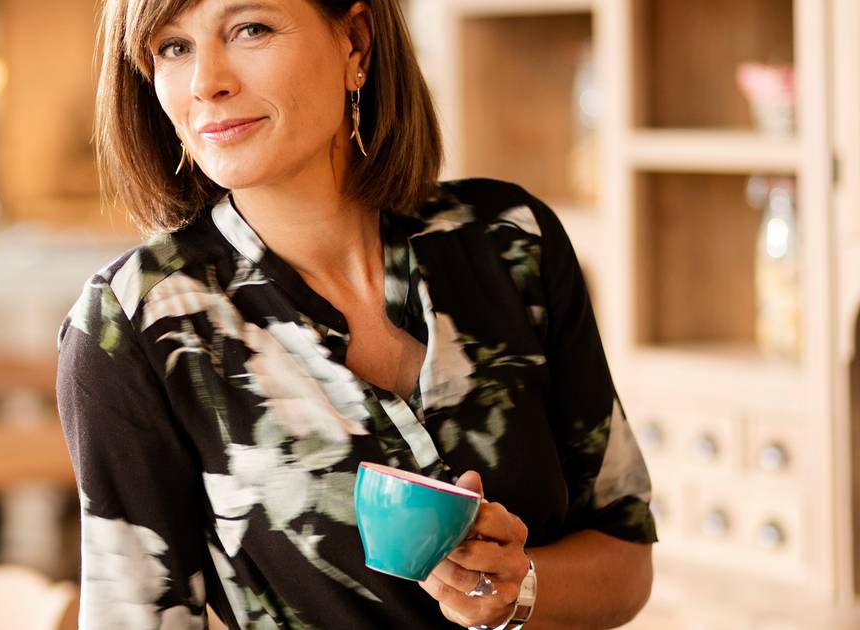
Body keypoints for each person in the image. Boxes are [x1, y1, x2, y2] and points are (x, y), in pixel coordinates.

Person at [56, 0, 657, 627]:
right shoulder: (134, 323)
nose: (207, 82)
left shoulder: (511, 241)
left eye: (250, 29)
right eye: (173, 48)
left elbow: (626, 557)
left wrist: (519, 587)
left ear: (356, 44)